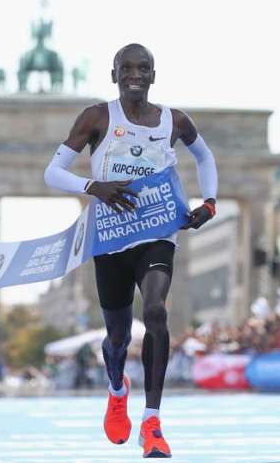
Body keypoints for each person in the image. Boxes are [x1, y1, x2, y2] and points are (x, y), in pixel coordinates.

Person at [44, 43, 218, 458]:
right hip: (111, 238)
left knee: (156, 310)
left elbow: (204, 155)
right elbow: (53, 172)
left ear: (154, 76)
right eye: (127, 68)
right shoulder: (97, 116)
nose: (135, 74)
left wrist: (209, 201)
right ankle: (117, 387)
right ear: (114, 74)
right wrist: (93, 187)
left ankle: (152, 421)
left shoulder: (174, 119)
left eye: (143, 68)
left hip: (157, 231)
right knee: (118, 336)